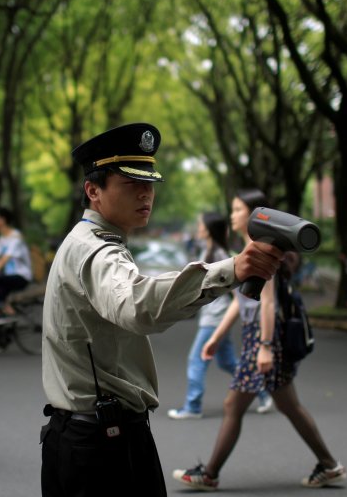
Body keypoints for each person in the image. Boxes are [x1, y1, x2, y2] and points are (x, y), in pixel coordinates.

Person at [39, 124, 284, 497]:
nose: (145, 194)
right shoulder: (96, 250)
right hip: (102, 445)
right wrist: (231, 270)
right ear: (93, 190)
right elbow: (136, 305)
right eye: (131, 184)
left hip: (87, 436)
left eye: (149, 184)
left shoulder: (88, 241)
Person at [173, 189, 346, 491]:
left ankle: (210, 474)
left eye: (238, 209)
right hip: (262, 337)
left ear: (254, 214)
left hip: (263, 338)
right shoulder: (249, 247)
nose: (232, 215)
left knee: (233, 405)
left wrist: (264, 347)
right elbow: (243, 302)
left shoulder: (264, 246)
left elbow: (267, 303)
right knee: (289, 405)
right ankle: (330, 466)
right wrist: (217, 335)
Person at [167, 212, 272, 420]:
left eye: (200, 224)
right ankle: (261, 391)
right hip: (213, 317)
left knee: (196, 360)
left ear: (209, 228)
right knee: (228, 362)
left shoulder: (220, 255)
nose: (198, 227)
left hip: (215, 319)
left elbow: (236, 294)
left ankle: (193, 406)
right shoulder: (209, 251)